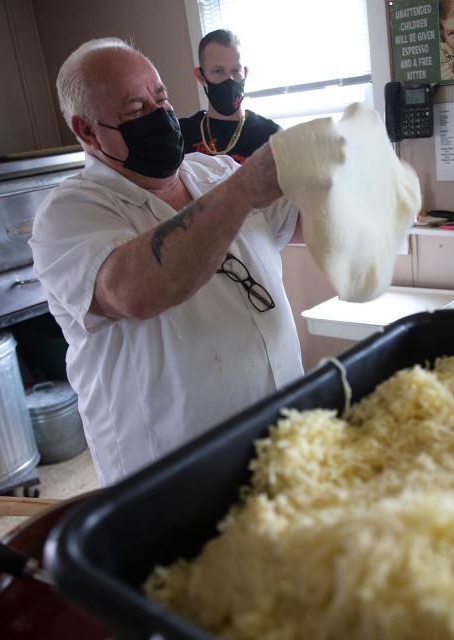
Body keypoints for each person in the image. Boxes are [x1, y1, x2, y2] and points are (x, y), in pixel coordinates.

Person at [30, 37, 303, 487]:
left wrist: (338, 174)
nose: (159, 116)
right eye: (135, 111)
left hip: (281, 446)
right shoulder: (69, 215)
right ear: (87, 131)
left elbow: (305, 223)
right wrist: (246, 187)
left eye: (161, 98)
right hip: (170, 476)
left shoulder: (213, 172)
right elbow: (134, 292)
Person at [180, 29, 280, 163]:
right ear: (200, 76)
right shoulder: (182, 133)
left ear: (245, 73)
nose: (230, 79)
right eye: (218, 71)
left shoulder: (271, 136)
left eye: (235, 71)